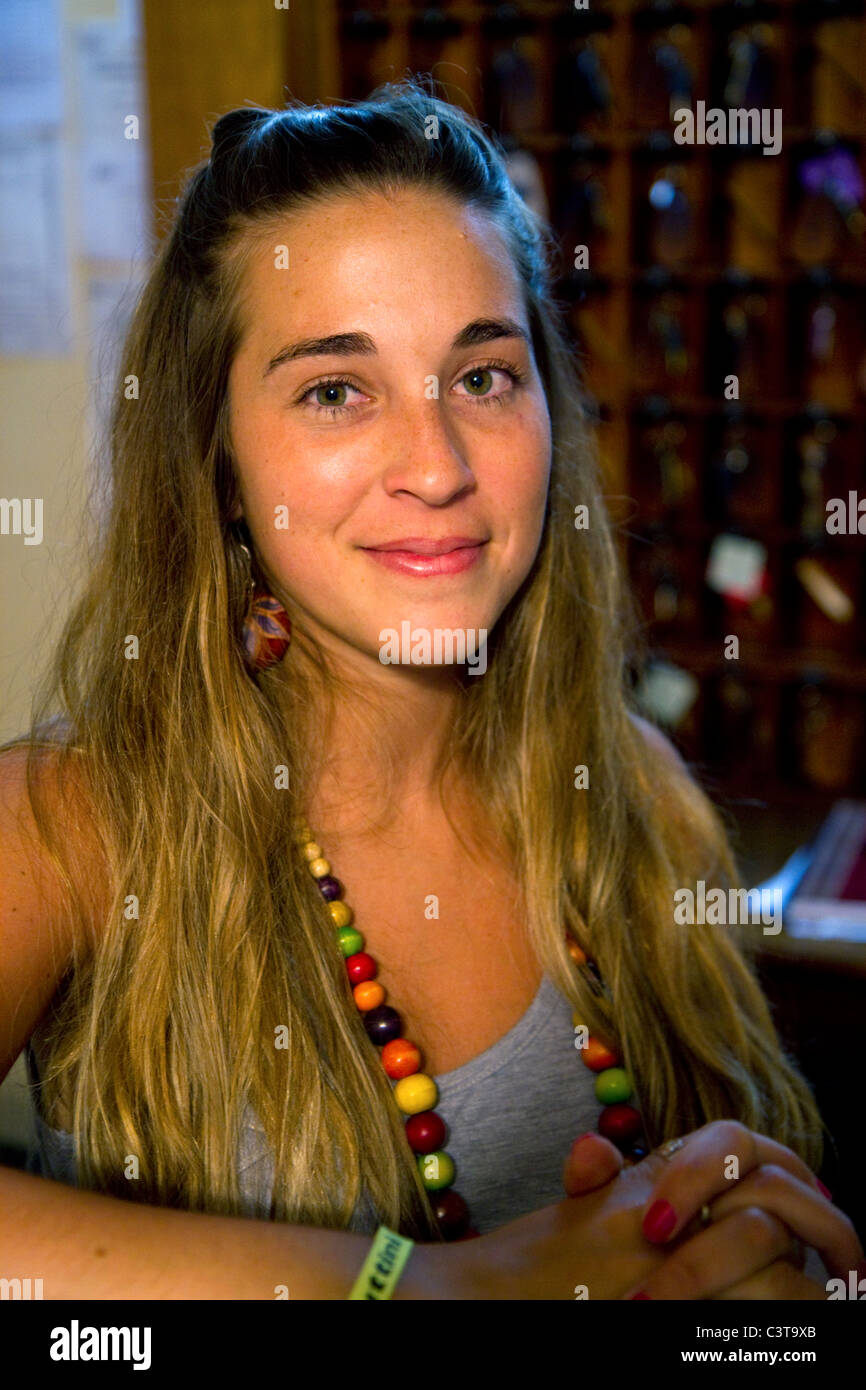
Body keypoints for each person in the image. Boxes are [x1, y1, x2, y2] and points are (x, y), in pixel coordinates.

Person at [0, 79, 862, 1301]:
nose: (439, 466)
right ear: (221, 463)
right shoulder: (71, 826)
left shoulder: (637, 793)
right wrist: (435, 1286)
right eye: (335, 390)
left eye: (481, 377)